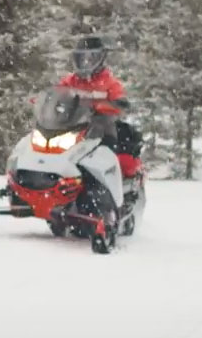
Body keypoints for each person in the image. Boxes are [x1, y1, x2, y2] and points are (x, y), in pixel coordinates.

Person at [58, 35, 143, 208]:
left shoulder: (109, 81)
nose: (86, 62)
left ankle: (108, 190)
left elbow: (119, 96)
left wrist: (117, 101)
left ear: (101, 59)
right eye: (82, 58)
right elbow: (58, 93)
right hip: (73, 126)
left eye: (91, 58)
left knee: (106, 148)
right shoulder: (71, 80)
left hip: (101, 126)